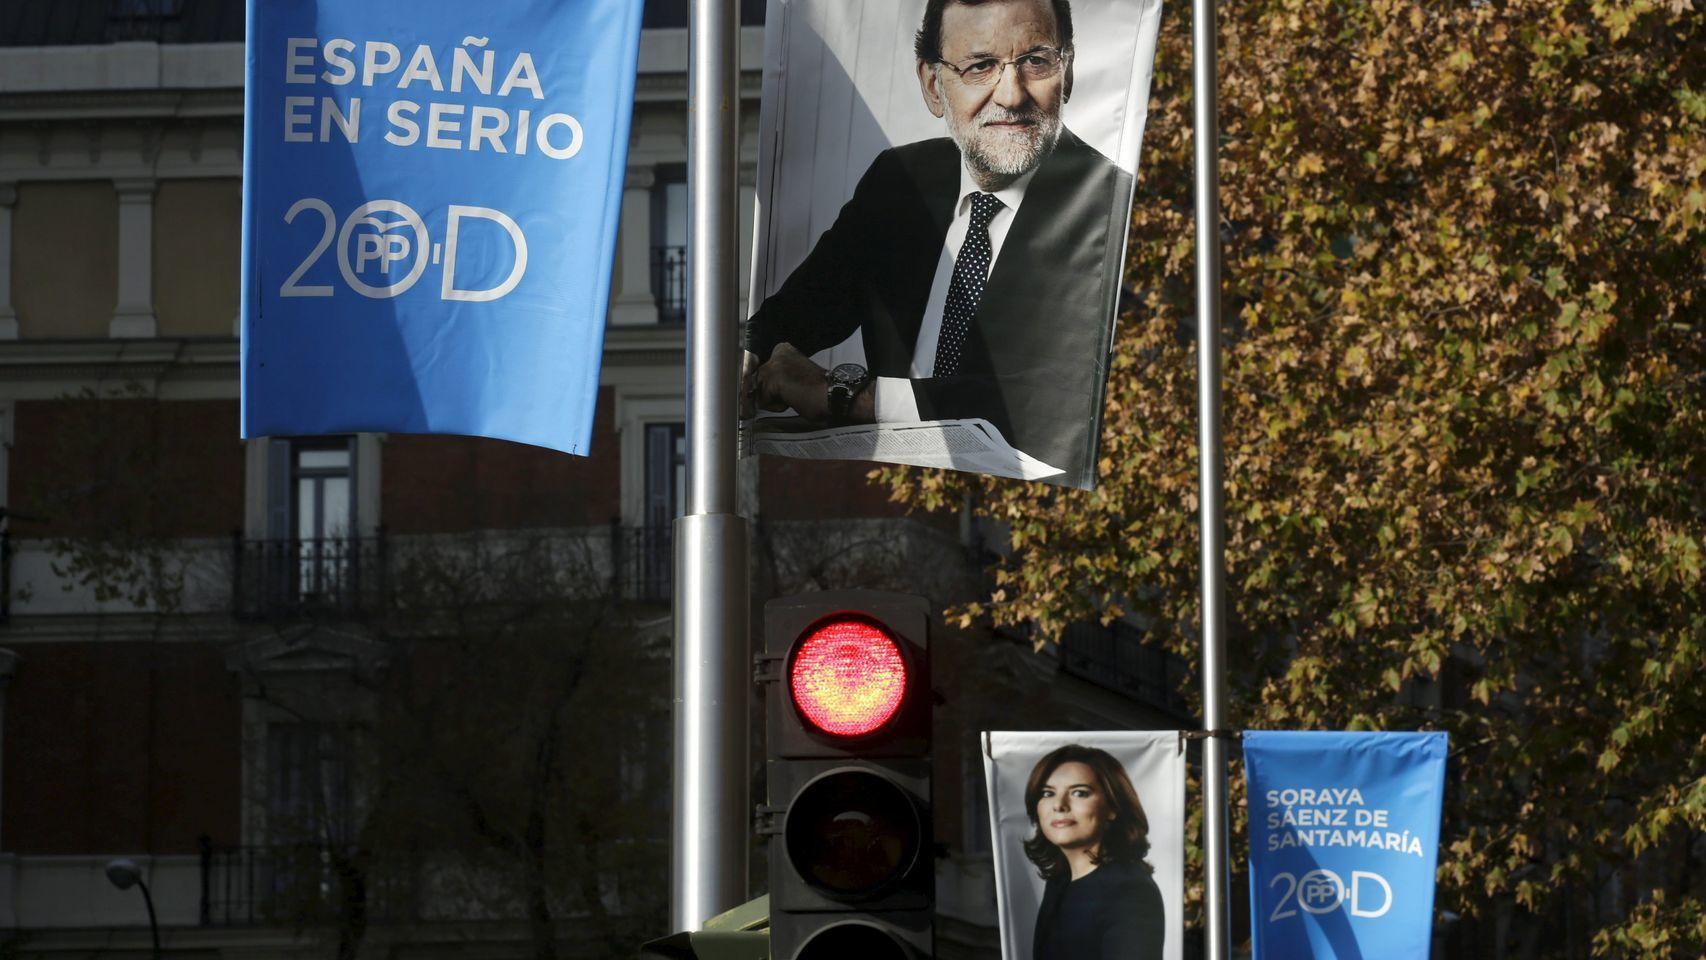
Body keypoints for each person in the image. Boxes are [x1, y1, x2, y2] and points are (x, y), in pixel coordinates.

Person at [744, 0, 1134, 490]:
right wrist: (744, 361)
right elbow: (797, 312)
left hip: (1035, 522)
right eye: (980, 66)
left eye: (1036, 61)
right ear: (933, 85)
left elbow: (1046, 402)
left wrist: (843, 396)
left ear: (1068, 71)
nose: (1010, 95)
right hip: (895, 496)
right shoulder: (900, 181)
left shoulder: (1109, 206)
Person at [1023, 744, 1165, 958]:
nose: (1059, 805)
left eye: (1079, 793)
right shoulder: (1058, 884)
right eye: (1047, 793)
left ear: (1112, 808)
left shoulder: (1129, 890)